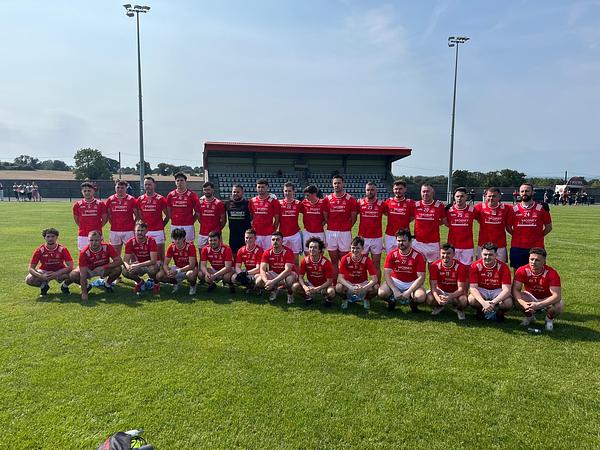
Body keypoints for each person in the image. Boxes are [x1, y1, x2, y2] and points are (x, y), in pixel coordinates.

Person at [513, 248, 563, 331]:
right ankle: (529, 317)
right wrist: (524, 304)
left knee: (558, 305)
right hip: (531, 296)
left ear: (544, 261)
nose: (533, 262)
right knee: (517, 299)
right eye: (531, 259)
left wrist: (539, 305)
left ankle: (549, 319)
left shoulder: (551, 273)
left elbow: (557, 296)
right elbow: (515, 290)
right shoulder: (522, 270)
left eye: (537, 260)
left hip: (546, 298)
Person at [378, 229, 426, 312]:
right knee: (382, 293)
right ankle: (392, 300)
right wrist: (394, 289)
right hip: (395, 281)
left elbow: (421, 277)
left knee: (420, 297)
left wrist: (409, 291)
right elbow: (386, 274)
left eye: (403, 241)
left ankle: (412, 302)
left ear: (410, 241)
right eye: (399, 241)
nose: (401, 243)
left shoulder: (418, 256)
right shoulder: (392, 254)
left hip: (411, 282)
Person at [507, 183, 552, 271]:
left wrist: (539, 236)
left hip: (537, 247)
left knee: (537, 273)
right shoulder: (514, 209)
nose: (524, 193)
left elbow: (549, 227)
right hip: (518, 247)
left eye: (527, 191)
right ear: (519, 193)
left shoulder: (541, 208)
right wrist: (516, 235)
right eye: (522, 191)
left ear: (532, 192)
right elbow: (508, 227)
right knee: (518, 274)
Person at [68, 231, 123, 301]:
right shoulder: (84, 252)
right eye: (91, 240)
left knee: (118, 269)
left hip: (103, 269)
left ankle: (107, 284)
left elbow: (119, 261)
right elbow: (83, 274)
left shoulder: (107, 247)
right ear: (88, 240)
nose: (94, 243)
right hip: (89, 270)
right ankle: (87, 287)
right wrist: (84, 293)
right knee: (73, 274)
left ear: (101, 240)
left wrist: (103, 267)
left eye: (96, 240)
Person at [467, 242, 513, 322]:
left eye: (490, 255)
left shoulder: (503, 267)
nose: (487, 257)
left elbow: (507, 290)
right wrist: (483, 303)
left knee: (508, 303)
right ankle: (480, 310)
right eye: (485, 254)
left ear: (496, 255)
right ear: (481, 254)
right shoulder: (475, 266)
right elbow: (473, 288)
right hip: (482, 289)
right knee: (471, 299)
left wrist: (493, 303)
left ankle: (499, 312)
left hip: (497, 290)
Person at [325, 175, 358, 279]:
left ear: (343, 184)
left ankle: (346, 282)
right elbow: (325, 216)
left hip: (345, 233)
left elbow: (354, 217)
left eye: (339, 183)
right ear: (332, 184)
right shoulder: (328, 199)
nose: (337, 185)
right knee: (334, 261)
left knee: (344, 260)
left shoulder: (350, 199)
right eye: (335, 183)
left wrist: (346, 227)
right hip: (331, 232)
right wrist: (331, 225)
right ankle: (335, 283)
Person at [26, 228, 73, 296]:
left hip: (60, 271)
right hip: (44, 271)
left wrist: (56, 274)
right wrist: (41, 276)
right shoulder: (39, 250)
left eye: (53, 236)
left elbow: (70, 266)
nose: (50, 239)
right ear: (44, 238)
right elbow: (30, 268)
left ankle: (64, 286)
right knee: (29, 279)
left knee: (74, 274)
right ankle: (44, 286)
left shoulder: (63, 249)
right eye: (48, 236)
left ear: (57, 237)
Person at [426, 243, 468, 320]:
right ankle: (439, 306)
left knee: (463, 301)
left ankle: (459, 309)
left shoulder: (461, 267)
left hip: (455, 292)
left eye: (448, 253)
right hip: (441, 291)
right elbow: (433, 287)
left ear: (454, 254)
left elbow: (461, 289)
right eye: (443, 253)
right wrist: (437, 298)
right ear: (440, 253)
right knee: (429, 299)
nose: (445, 256)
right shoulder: (434, 266)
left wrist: (449, 297)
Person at [336, 236, 379, 310]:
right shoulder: (345, 258)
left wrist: (363, 288)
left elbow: (375, 279)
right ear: (350, 248)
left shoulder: (366, 259)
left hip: (362, 284)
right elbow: (340, 278)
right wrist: (351, 287)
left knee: (376, 287)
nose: (355, 250)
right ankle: (345, 299)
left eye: (358, 248)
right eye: (353, 248)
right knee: (338, 287)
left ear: (362, 249)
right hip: (349, 284)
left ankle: (366, 299)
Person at [293, 236, 336, 307]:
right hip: (311, 284)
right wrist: (305, 287)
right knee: (295, 287)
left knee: (331, 292)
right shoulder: (305, 261)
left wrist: (317, 289)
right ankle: (308, 298)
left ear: (319, 250)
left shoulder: (326, 262)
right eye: (310, 247)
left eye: (315, 247)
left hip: (323, 285)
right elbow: (300, 277)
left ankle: (327, 300)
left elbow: (329, 281)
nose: (312, 249)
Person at [136, 176, 170, 261]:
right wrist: (143, 227)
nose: (147, 186)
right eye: (146, 185)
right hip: (145, 231)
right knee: (146, 253)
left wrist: (162, 225)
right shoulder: (140, 199)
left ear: (154, 185)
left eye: (149, 184)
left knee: (160, 254)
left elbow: (168, 215)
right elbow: (139, 216)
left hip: (158, 231)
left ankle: (161, 268)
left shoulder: (161, 199)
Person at [474, 187, 511, 262]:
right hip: (483, 244)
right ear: (485, 196)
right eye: (489, 196)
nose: (491, 198)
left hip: (500, 245)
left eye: (494, 196)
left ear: (499, 197)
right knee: (482, 266)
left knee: (500, 267)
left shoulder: (507, 208)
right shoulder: (479, 207)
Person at [357, 182, 385, 280]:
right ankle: (362, 283)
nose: (370, 192)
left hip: (376, 238)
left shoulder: (381, 204)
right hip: (362, 238)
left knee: (376, 264)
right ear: (365, 191)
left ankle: (376, 285)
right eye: (368, 190)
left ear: (376, 191)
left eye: (372, 190)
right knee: (361, 263)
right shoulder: (360, 202)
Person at [157, 228, 198, 295]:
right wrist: (168, 272)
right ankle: (176, 283)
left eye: (179, 239)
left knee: (190, 275)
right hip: (178, 268)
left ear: (184, 238)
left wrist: (177, 271)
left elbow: (192, 265)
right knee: (160, 275)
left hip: (189, 269)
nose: (177, 241)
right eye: (175, 239)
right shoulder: (171, 247)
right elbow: (165, 264)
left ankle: (193, 286)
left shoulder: (190, 247)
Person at [122, 221, 160, 294]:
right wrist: (129, 267)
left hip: (150, 264)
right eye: (138, 230)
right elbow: (125, 260)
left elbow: (153, 261)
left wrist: (138, 265)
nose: (140, 232)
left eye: (142, 230)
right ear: (134, 231)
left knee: (153, 269)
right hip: (139, 264)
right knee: (124, 271)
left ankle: (156, 283)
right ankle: (140, 282)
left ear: (146, 231)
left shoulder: (151, 241)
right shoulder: (130, 242)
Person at [259, 231, 297, 304]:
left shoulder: (288, 251)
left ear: (282, 241)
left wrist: (273, 282)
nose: (275, 241)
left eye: (277, 239)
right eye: (273, 240)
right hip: (274, 273)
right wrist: (266, 281)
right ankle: (273, 290)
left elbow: (288, 270)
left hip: (287, 274)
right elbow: (262, 269)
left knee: (290, 279)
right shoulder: (267, 252)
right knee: (259, 281)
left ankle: (290, 294)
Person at [412, 184, 446, 263]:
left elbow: (444, 221)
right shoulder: (415, 205)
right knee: (419, 267)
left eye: (428, 191)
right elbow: (410, 218)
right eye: (423, 191)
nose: (425, 194)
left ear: (432, 193)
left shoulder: (439, 205)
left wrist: (435, 223)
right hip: (418, 243)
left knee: (433, 268)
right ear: (420, 192)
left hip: (433, 243)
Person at [105, 180, 138, 255]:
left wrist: (133, 225)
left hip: (129, 231)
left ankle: (131, 263)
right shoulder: (110, 199)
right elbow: (108, 215)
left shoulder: (131, 199)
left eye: (122, 188)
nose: (120, 189)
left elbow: (137, 215)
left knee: (132, 253)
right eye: (118, 187)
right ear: (115, 187)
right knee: (115, 254)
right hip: (114, 231)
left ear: (126, 188)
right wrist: (113, 223)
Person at [72, 181, 108, 250]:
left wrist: (98, 226)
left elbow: (105, 219)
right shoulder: (77, 205)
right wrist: (83, 227)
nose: (87, 193)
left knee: (99, 253)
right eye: (84, 191)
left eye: (89, 191)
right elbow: (76, 220)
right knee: (83, 254)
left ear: (93, 191)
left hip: (97, 235)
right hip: (83, 235)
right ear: (82, 192)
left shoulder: (100, 204)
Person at [444, 187, 476, 265]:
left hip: (467, 246)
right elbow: (442, 221)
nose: (459, 198)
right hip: (452, 246)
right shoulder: (448, 210)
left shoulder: (472, 210)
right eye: (457, 196)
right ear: (454, 197)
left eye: (462, 196)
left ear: (466, 197)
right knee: (453, 268)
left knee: (467, 268)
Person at [166, 172, 201, 242]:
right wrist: (174, 219)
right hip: (175, 225)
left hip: (188, 226)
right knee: (175, 245)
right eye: (177, 181)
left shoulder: (192, 195)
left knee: (189, 244)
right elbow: (168, 210)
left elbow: (197, 212)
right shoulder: (170, 195)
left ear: (185, 182)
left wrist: (191, 221)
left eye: (182, 180)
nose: (179, 182)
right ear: (175, 182)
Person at [383, 179, 415, 253]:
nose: (398, 191)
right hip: (390, 235)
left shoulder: (410, 203)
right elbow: (385, 213)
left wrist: (404, 220)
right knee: (390, 256)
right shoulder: (388, 201)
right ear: (393, 189)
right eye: (396, 189)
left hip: (404, 235)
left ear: (405, 189)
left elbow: (412, 217)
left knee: (404, 256)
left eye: (400, 189)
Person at [250, 179, 281, 251]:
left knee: (268, 254)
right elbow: (251, 216)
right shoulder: (252, 201)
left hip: (268, 234)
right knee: (256, 254)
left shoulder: (273, 201)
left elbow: (277, 218)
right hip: (256, 234)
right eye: (259, 187)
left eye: (263, 187)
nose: (260, 189)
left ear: (267, 187)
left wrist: (274, 230)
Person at [279, 182, 303, 266]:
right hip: (282, 235)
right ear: (283, 191)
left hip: (295, 235)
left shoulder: (298, 203)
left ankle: (296, 274)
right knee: (282, 260)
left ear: (293, 192)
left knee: (295, 261)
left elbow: (309, 214)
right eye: (286, 191)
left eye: (289, 191)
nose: (287, 193)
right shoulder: (279, 203)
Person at [225, 184, 253, 256]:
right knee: (234, 254)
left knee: (247, 254)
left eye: (238, 192)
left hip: (246, 235)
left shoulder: (248, 204)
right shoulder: (227, 204)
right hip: (233, 235)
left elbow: (253, 217)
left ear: (242, 192)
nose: (235, 194)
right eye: (234, 192)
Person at [197, 181, 226, 248]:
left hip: (216, 234)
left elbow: (223, 220)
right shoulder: (200, 202)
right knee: (202, 252)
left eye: (208, 190)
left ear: (213, 190)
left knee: (217, 252)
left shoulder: (219, 203)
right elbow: (199, 218)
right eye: (205, 190)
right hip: (203, 233)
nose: (206, 192)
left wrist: (218, 229)